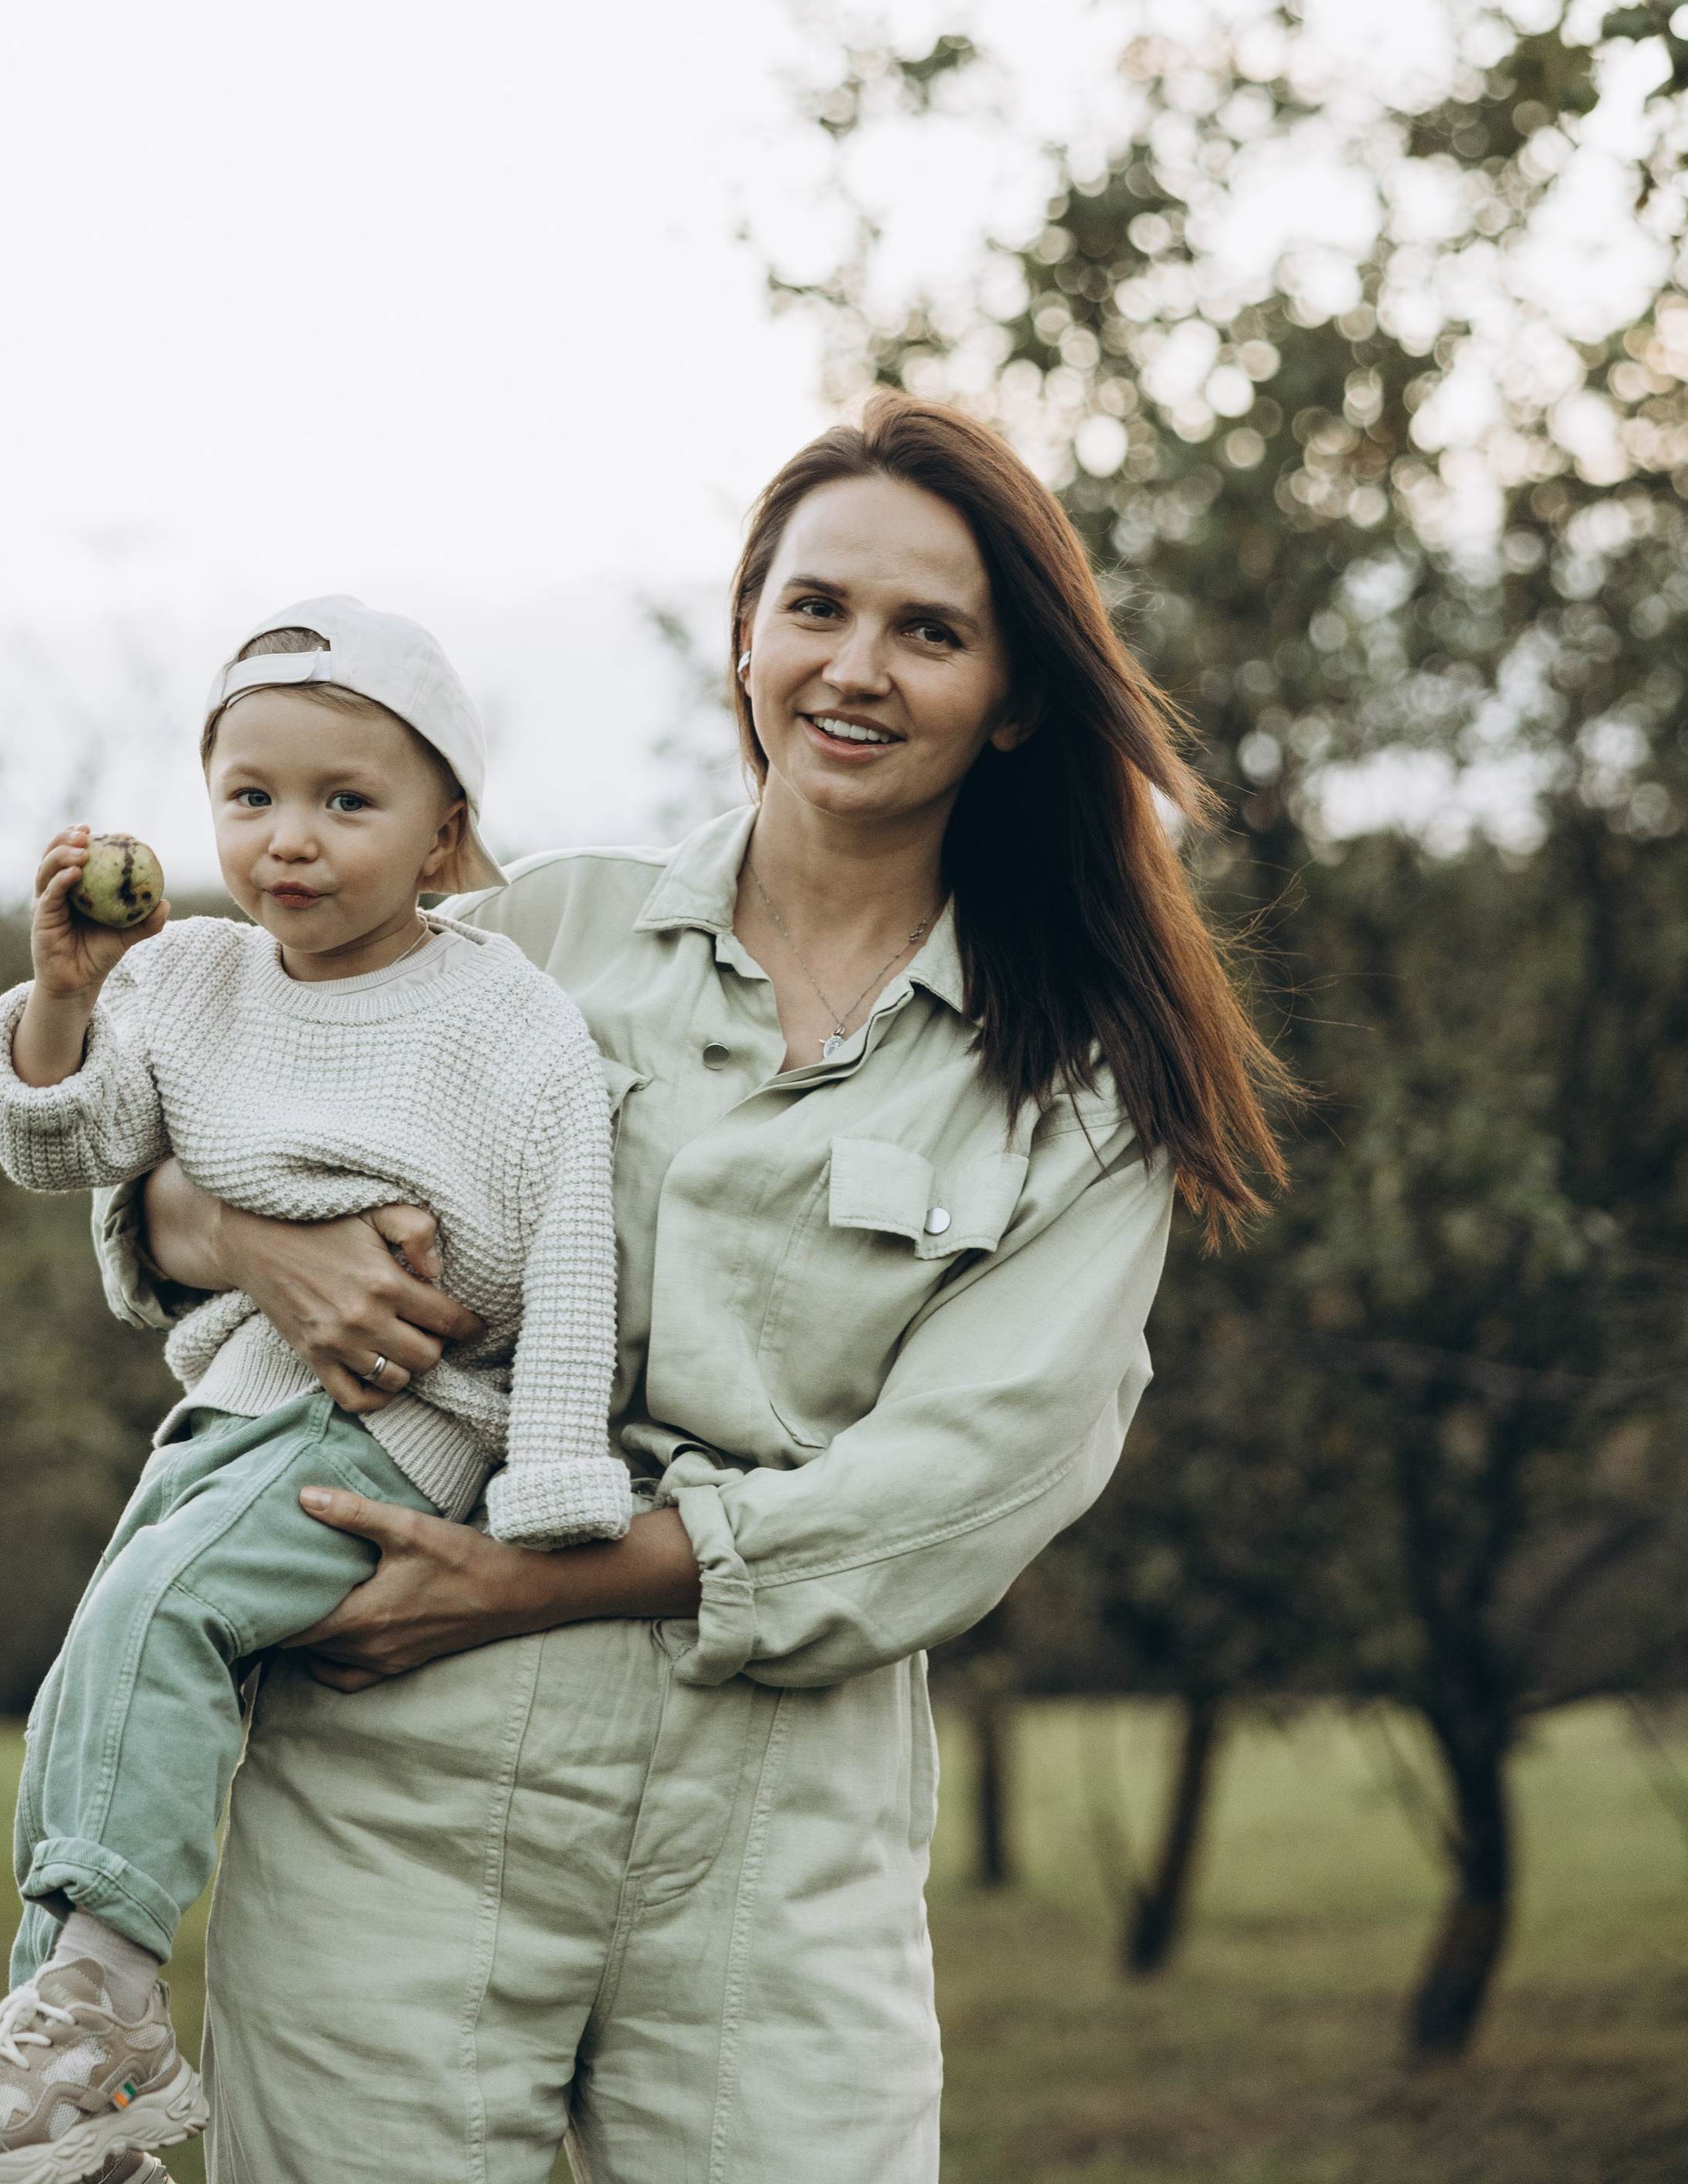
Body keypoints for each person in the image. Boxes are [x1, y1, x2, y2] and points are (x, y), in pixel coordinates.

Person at [118, 397, 1290, 2184]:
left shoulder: (1080, 1080)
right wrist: (237, 1232)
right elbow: (180, 1137)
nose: (856, 667)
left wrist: (526, 1583)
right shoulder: (529, 941)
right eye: (813, 607)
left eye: (929, 631)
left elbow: (975, 1474)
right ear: (744, 636)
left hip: (775, 1816)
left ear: (1015, 698)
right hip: (398, 1782)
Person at [0, 599, 630, 2184]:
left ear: (444, 840)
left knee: (153, 1616)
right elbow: (57, 1147)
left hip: (405, 1420)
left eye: (342, 803)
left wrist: (557, 1471)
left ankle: (95, 2014)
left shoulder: (502, 1017)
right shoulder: (194, 982)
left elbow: (573, 1233)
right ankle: (73, 2054)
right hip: (232, 1410)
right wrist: (68, 992)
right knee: (103, 1665)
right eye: (250, 797)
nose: (287, 841)